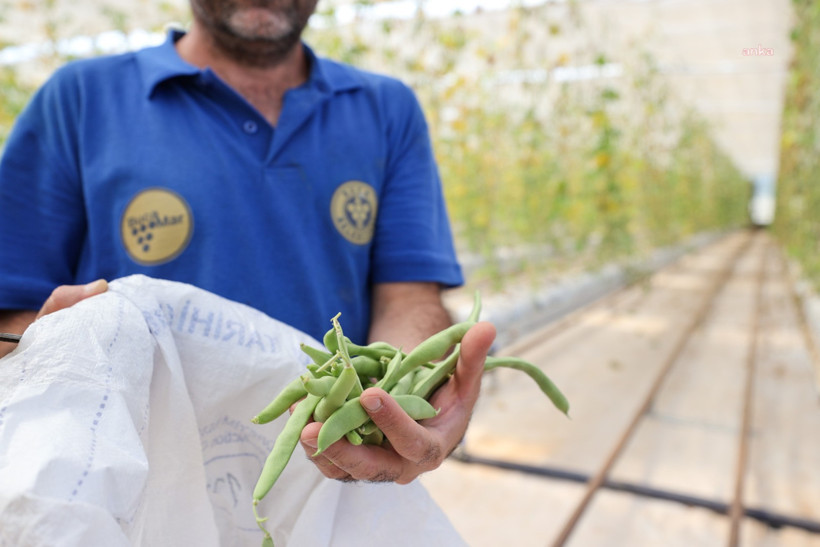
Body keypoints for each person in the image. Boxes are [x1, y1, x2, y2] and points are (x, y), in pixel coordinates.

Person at [0, 0, 495, 486]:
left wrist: (408, 395)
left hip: (331, 475)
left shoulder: (386, 109)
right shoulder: (82, 98)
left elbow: (407, 298)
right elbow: (13, 313)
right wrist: (48, 354)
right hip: (131, 481)